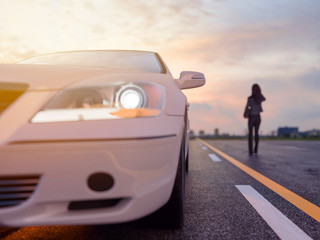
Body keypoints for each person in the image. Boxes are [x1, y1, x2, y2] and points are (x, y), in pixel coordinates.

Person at [243, 84, 266, 155]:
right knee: (255, 133)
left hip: (253, 117)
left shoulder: (254, 98)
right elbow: (264, 98)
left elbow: (247, 107)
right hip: (256, 117)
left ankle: (252, 150)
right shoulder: (255, 98)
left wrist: (245, 114)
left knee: (252, 133)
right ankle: (254, 150)